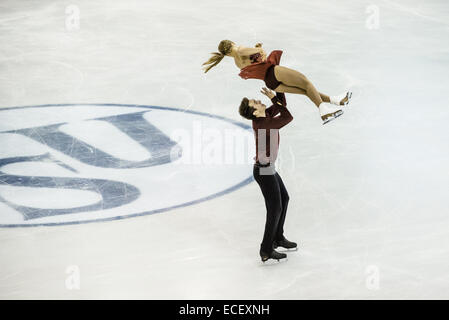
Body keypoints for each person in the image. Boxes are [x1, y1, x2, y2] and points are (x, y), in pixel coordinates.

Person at [204, 40, 352, 125]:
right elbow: (259, 51)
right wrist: (259, 48)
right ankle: (324, 111)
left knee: (305, 91)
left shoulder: (237, 63)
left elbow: (255, 62)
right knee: (306, 82)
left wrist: (258, 53)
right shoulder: (241, 50)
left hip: (270, 82)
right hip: (274, 73)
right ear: (231, 43)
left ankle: (336, 100)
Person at [239, 86, 297, 262]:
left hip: (266, 168)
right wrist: (274, 98)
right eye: (255, 103)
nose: (258, 101)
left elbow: (281, 106)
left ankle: (278, 238)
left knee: (284, 199)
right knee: (275, 208)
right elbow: (288, 116)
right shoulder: (265, 124)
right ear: (255, 112)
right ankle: (266, 249)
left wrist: (279, 91)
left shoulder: (265, 117)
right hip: (264, 171)